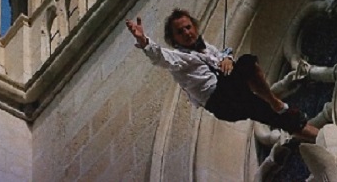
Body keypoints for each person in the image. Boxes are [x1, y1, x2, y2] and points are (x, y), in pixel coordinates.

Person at [125, 8, 318, 142]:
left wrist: (227, 58)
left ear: (195, 27)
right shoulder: (179, 59)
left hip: (234, 94)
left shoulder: (205, 47)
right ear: (174, 38)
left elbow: (221, 56)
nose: (186, 32)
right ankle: (275, 102)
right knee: (248, 63)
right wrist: (144, 42)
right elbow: (160, 57)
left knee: (282, 120)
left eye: (188, 27)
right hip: (220, 100)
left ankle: (324, 139)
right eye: (179, 31)